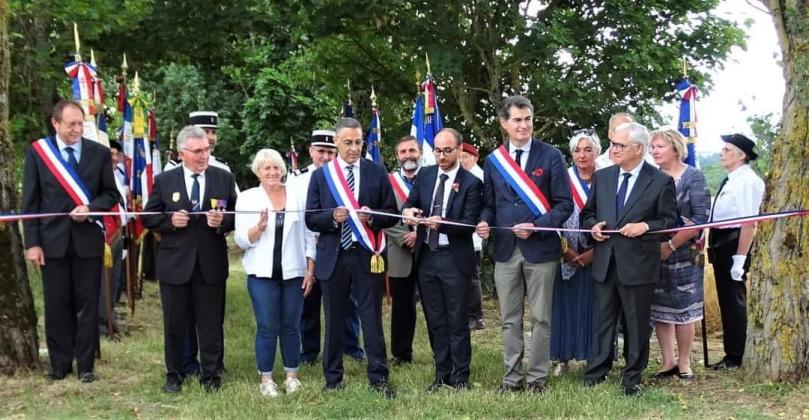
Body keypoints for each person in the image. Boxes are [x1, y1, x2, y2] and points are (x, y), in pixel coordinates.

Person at [476, 95, 573, 394]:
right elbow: (489, 205)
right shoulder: (493, 161)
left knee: (541, 319)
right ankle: (511, 378)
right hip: (505, 250)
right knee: (509, 319)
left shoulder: (551, 155)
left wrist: (537, 226)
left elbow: (564, 205)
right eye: (517, 120)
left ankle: (537, 379)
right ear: (504, 123)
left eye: (528, 119)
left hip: (541, 249)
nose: (523, 125)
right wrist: (483, 222)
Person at [22, 100, 121, 383]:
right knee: (56, 305)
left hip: (87, 241)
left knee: (89, 304)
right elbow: (30, 202)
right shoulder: (39, 153)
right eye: (71, 125)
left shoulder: (99, 153)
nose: (77, 129)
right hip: (51, 243)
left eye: (80, 124)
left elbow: (110, 195)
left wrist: (89, 208)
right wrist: (32, 243)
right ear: (56, 124)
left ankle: (86, 364)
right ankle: (60, 364)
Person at [580, 122, 678, 396]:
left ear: (639, 148)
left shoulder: (660, 181)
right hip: (605, 262)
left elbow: (670, 220)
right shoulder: (604, 176)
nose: (614, 149)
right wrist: (593, 227)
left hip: (638, 264)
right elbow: (588, 213)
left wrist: (646, 226)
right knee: (602, 320)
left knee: (636, 325)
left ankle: (632, 377)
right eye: (613, 144)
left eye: (620, 145)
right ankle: (596, 371)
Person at [305, 118, 399, 399]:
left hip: (367, 254)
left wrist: (373, 216)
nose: (354, 148)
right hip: (333, 256)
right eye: (348, 143)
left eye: (359, 142)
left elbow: (390, 213)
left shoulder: (376, 171)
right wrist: (331, 217)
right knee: (333, 318)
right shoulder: (322, 176)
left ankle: (379, 378)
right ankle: (333, 378)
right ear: (336, 142)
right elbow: (311, 217)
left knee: (371, 318)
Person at [142, 125, 238, 393]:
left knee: (210, 324)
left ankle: (211, 375)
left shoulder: (223, 178)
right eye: (197, 151)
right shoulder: (165, 180)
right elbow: (148, 217)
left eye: (207, 149)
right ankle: (175, 374)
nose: (204, 155)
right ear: (183, 153)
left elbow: (236, 214)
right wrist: (170, 221)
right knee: (174, 323)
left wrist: (222, 221)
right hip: (175, 265)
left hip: (210, 263)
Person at [403, 128, 483, 392]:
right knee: (435, 320)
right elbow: (411, 203)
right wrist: (409, 212)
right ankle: (442, 374)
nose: (441, 156)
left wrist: (444, 224)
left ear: (459, 150)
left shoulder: (471, 183)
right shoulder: (425, 175)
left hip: (454, 257)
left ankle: (460, 377)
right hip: (427, 256)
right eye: (437, 150)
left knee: (457, 320)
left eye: (447, 150)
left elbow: (469, 223)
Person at [235, 149, 315, 397]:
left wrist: (310, 269)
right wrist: (258, 228)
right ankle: (266, 380)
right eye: (266, 168)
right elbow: (240, 240)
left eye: (276, 167)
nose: (272, 172)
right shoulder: (247, 198)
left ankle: (292, 376)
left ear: (282, 169)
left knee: (291, 326)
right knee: (267, 326)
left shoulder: (298, 196)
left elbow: (309, 234)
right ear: (258, 172)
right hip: (262, 274)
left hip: (294, 272)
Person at [291, 129, 366, 364]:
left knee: (347, 302)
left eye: (329, 152)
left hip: (337, 245)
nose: (324, 157)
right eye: (320, 151)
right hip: (308, 245)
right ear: (311, 151)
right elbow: (297, 216)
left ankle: (351, 346)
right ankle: (309, 351)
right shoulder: (298, 179)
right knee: (309, 302)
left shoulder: (345, 175)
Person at [648, 129, 710, 380]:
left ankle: (684, 362)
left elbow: (699, 218)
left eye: (659, 146)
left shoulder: (693, 177)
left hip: (684, 254)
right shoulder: (651, 177)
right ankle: (667, 360)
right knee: (661, 308)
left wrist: (671, 245)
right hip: (654, 253)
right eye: (652, 147)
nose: (654, 151)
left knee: (685, 309)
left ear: (675, 148)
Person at [707, 133, 765, 370]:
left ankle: (737, 354)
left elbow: (749, 223)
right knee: (726, 298)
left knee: (734, 299)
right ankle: (732, 351)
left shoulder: (748, 181)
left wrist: (740, 258)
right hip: (721, 239)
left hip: (734, 242)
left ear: (741, 155)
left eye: (727, 150)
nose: (722, 153)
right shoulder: (732, 179)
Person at [550, 130, 600, 376]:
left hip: (598, 254)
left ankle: (594, 356)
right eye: (577, 150)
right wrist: (566, 250)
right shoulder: (562, 179)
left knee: (596, 308)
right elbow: (552, 216)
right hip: (566, 255)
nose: (582, 155)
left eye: (588, 149)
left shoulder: (607, 178)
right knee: (565, 307)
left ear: (597, 152)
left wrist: (594, 252)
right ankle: (562, 357)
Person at [384, 135, 422, 366]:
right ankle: (401, 354)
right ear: (397, 156)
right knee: (401, 306)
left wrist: (419, 235)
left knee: (435, 304)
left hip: (428, 248)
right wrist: (404, 237)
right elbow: (384, 216)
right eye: (403, 151)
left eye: (412, 150)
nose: (408, 155)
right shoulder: (388, 182)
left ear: (419, 153)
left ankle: (442, 352)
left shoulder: (431, 178)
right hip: (399, 251)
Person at [460, 142, 485, 330]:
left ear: (474, 158)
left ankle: (476, 316)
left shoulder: (479, 177)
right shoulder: (463, 176)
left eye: (465, 157)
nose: (461, 160)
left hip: (474, 234)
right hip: (462, 234)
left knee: (472, 276)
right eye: (459, 157)